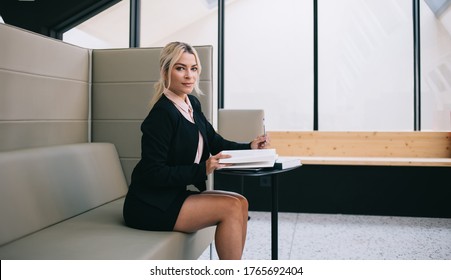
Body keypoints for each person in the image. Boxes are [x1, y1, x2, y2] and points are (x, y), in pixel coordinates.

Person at [123, 41, 268, 260]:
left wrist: (249, 146)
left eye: (193, 69)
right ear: (165, 71)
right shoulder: (162, 114)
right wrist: (202, 169)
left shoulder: (192, 103)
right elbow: (154, 173)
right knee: (230, 207)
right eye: (180, 68)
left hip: (172, 195)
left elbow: (214, 141)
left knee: (241, 202)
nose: (189, 75)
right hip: (148, 204)